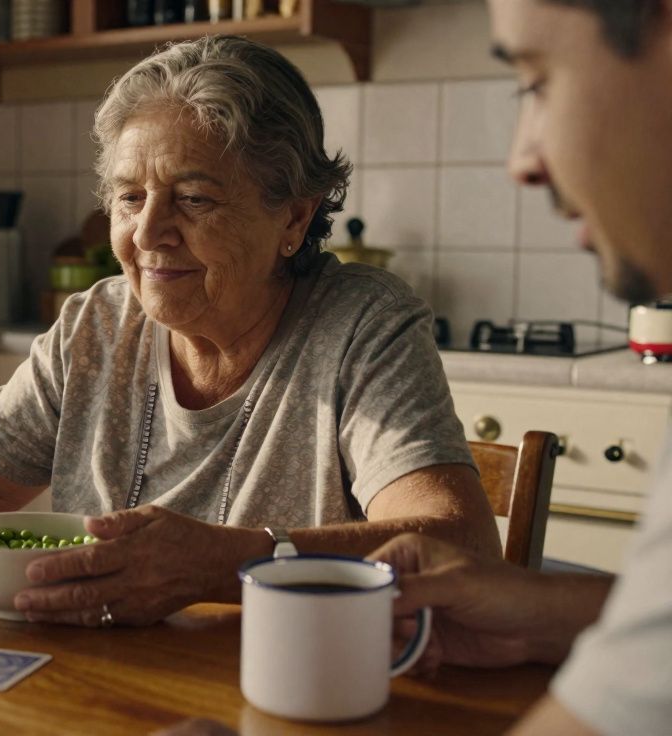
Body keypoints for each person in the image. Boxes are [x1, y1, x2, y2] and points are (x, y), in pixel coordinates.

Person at [0, 35, 500, 628]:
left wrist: (224, 563)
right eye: (129, 198)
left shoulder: (361, 323)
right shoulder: (97, 322)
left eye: (192, 198)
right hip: (97, 684)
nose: (149, 233)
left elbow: (456, 546)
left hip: (283, 688)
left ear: (294, 217)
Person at [158, 1, 672, 734]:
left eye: (538, 83)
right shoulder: (97, 319)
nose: (522, 159)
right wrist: (544, 618)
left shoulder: (363, 316)